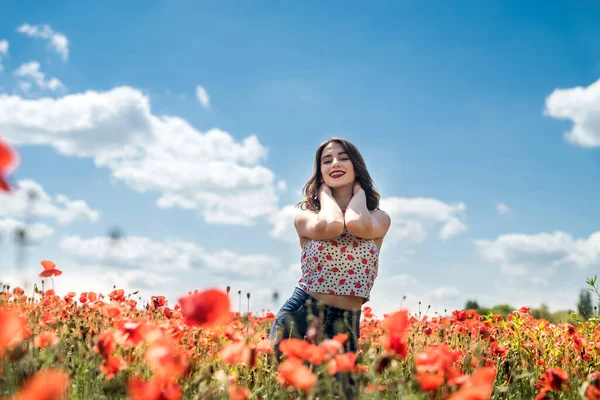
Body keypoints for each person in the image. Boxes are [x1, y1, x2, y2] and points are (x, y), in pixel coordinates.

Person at [269, 137, 391, 398]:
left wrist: (358, 194)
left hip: (346, 325)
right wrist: (324, 193)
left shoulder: (379, 218)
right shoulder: (307, 216)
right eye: (327, 160)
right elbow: (333, 226)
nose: (335, 163)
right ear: (320, 172)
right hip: (303, 315)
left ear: (357, 166)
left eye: (343, 157)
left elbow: (357, 225)